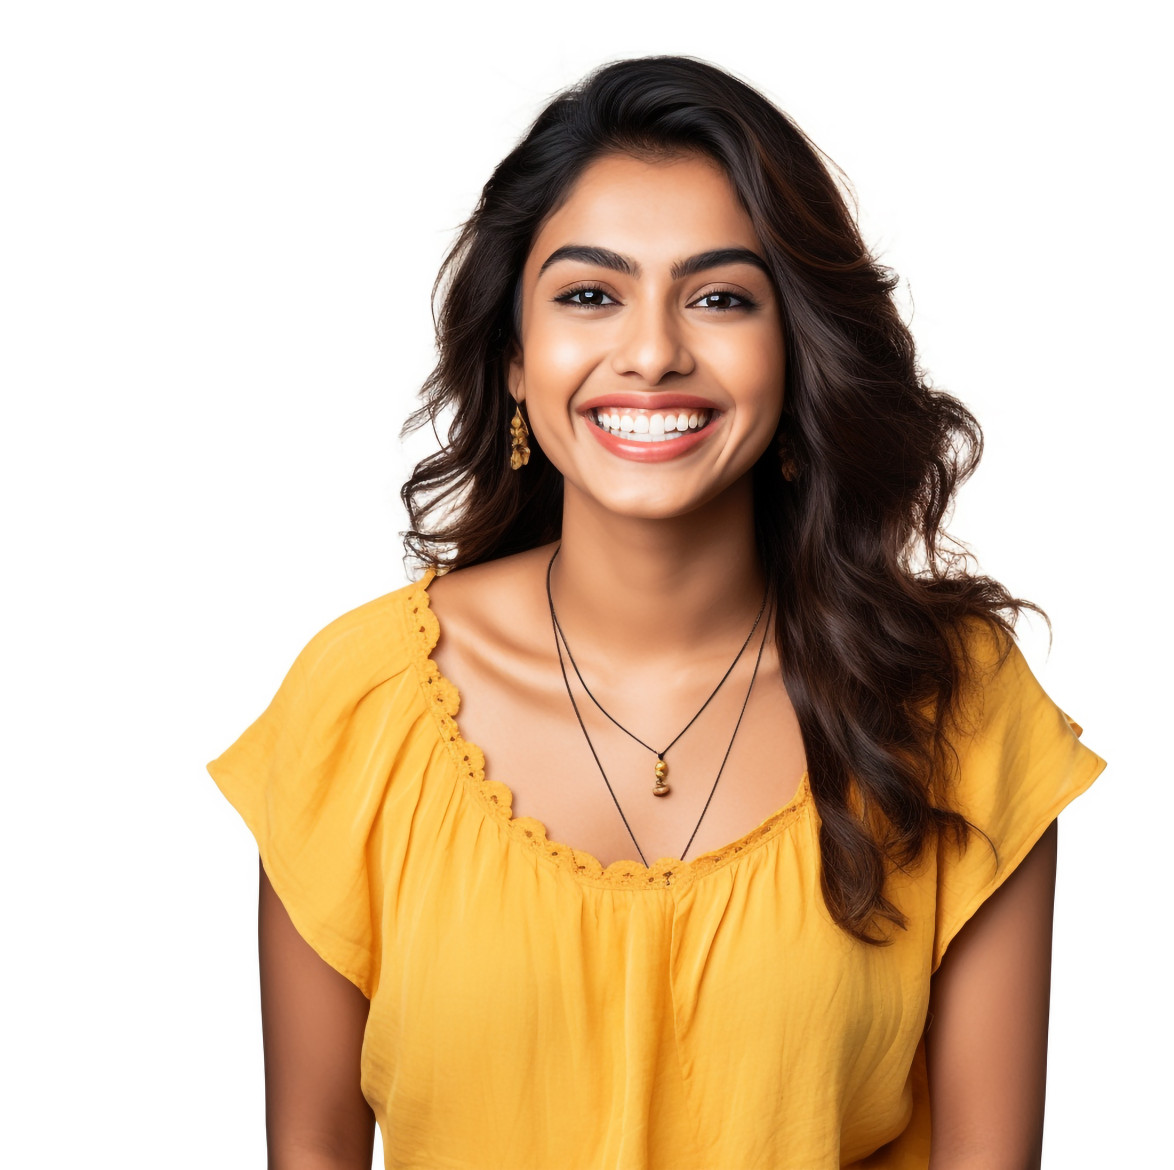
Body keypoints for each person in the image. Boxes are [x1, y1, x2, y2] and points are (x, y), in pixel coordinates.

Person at [208, 55, 1106, 1169]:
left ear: (797, 354)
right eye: (589, 295)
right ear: (515, 362)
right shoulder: (358, 707)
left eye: (720, 297)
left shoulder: (951, 708)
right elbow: (310, 1150)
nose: (650, 353)